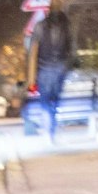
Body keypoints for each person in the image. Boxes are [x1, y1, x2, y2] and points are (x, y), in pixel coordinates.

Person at [32, 9, 75, 140]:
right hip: (60, 68)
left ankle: (48, 126)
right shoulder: (67, 27)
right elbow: (71, 49)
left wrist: (32, 74)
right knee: (55, 100)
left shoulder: (40, 26)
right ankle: (51, 125)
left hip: (45, 67)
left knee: (45, 99)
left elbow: (33, 49)